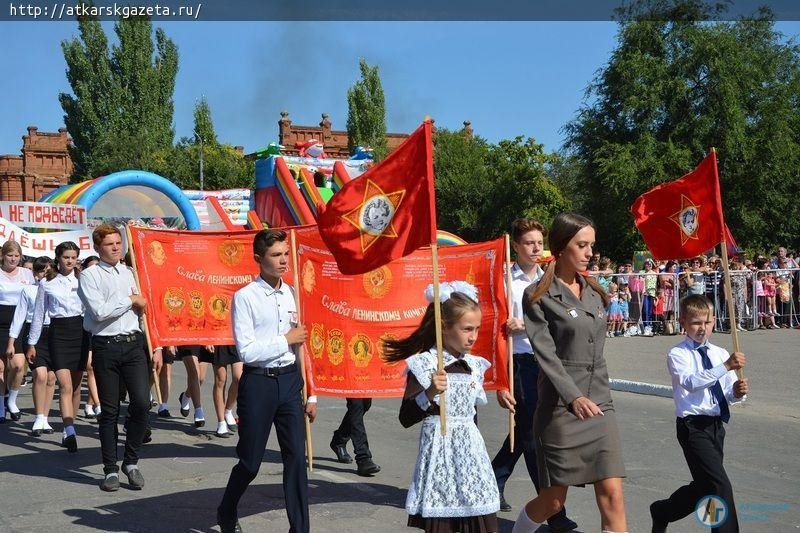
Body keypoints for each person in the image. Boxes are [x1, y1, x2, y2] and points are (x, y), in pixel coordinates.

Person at [513, 213, 627, 533]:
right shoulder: (538, 295)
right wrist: (573, 396)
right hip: (561, 408)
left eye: (592, 245)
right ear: (562, 247)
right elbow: (546, 355)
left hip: (599, 402)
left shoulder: (595, 290)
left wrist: (589, 394)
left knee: (613, 495)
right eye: (582, 245)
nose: (590, 252)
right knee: (553, 501)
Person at [217, 229, 317, 533]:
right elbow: (246, 351)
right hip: (258, 384)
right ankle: (227, 509)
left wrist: (311, 393)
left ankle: (299, 528)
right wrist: (284, 339)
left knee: (297, 460)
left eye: (286, 253)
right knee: (250, 462)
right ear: (259, 259)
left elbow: (303, 347)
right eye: (276, 255)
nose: (284, 260)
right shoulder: (245, 297)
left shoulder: (293, 292)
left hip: (289, 382)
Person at [383, 281, 500, 533]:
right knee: (444, 520)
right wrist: (430, 392)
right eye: (467, 329)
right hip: (440, 456)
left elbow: (471, 416)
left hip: (470, 456)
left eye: (476, 329)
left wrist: (474, 451)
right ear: (444, 328)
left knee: (481, 518)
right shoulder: (425, 365)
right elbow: (406, 417)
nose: (473, 336)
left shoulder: (474, 365)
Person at [490, 218, 577, 531]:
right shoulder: (505, 280)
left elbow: (558, 322)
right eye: (529, 242)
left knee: (529, 430)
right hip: (519, 361)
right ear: (516, 245)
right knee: (530, 434)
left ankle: (491, 482)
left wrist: (526, 326)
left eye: (540, 242)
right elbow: (492, 317)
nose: (536, 248)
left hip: (547, 362)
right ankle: (552, 509)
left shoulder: (550, 280)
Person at [649, 294, 748, 532]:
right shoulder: (678, 353)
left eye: (707, 322)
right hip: (692, 427)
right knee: (719, 484)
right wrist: (725, 367)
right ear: (683, 322)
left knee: (706, 486)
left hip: (716, 425)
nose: (702, 328)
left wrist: (737, 391)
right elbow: (691, 382)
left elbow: (728, 394)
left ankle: (662, 511)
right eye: (696, 323)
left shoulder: (721, 352)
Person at [78, 224, 162, 491]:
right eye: (109, 244)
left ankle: (131, 461)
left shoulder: (131, 271)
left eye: (118, 243)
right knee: (110, 411)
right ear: (98, 248)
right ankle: (110, 469)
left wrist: (157, 346)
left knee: (140, 403)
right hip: (106, 345)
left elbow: (146, 311)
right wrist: (130, 299)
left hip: (135, 344)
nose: (116, 247)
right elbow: (100, 312)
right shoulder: (90, 275)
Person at [26, 242, 90, 452]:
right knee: (65, 385)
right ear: (58, 258)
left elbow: (92, 309)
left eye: (73, 257)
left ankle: (68, 427)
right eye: (66, 257)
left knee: (76, 385)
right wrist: (32, 343)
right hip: (58, 334)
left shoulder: (84, 280)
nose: (70, 261)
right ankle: (69, 430)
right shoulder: (47, 284)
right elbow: (38, 315)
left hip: (80, 332)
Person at [7, 256, 56, 435]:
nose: (45, 274)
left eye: (48, 270)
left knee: (51, 378)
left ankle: (45, 418)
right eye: (41, 270)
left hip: (55, 332)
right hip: (33, 333)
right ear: (35, 273)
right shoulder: (28, 290)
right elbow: (19, 316)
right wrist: (12, 341)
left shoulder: (56, 288)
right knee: (40, 375)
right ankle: (38, 416)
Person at [0, 240, 36, 423]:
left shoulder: (27, 273)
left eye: (16, 256)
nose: (13, 259)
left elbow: (33, 297)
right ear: (2, 256)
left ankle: (11, 400)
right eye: (9, 255)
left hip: (20, 324)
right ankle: (0, 404)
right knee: (0, 368)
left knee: (17, 365)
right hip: (0, 323)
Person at [329, 395, 381, 476]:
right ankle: (363, 458)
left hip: (364, 382)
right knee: (356, 405)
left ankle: (339, 440)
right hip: (350, 382)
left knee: (365, 404)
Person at [203, 344, 243, 438]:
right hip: (218, 338)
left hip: (234, 339)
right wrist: (207, 341)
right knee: (220, 379)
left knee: (239, 378)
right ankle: (221, 421)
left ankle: (228, 411)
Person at [80, 255, 102, 419]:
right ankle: (99, 405)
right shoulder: (80, 283)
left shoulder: (103, 283)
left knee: (97, 369)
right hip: (84, 329)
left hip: (101, 330)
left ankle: (90, 403)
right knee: (90, 367)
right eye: (91, 267)